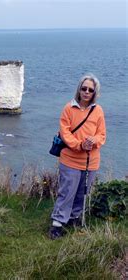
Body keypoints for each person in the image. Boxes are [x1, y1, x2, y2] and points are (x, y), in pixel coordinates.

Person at [48, 73, 106, 240]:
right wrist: (80, 145)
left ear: (95, 92)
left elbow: (102, 135)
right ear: (79, 90)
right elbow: (65, 133)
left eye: (90, 90)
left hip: (91, 161)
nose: (87, 92)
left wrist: (92, 141)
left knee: (82, 192)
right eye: (84, 88)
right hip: (70, 159)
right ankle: (57, 224)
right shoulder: (69, 108)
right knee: (67, 192)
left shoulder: (98, 110)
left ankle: (74, 219)